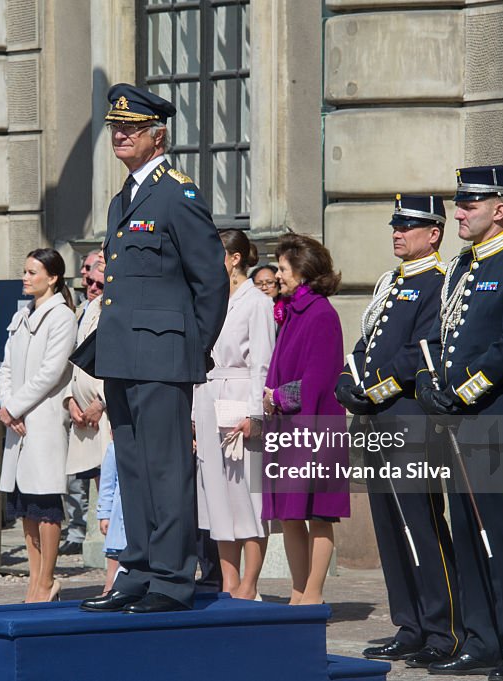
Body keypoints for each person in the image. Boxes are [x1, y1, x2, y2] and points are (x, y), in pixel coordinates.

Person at [77, 84, 228, 615]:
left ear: (157, 136)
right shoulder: (126, 196)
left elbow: (210, 281)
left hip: (164, 356)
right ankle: (137, 570)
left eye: (131, 129)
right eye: (115, 128)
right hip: (123, 354)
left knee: (166, 468)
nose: (120, 135)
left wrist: (194, 348)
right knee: (135, 465)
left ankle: (170, 577)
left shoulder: (176, 193)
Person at [415, 165, 503, 678]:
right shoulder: (457, 267)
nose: (459, 212)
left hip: (492, 419)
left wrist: (462, 393)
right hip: (453, 420)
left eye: (469, 204)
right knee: (468, 531)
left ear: (499, 209)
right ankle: (480, 638)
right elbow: (436, 337)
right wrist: (430, 386)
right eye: (459, 203)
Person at [335, 195, 461, 667]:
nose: (397, 232)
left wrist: (377, 388)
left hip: (407, 417)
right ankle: (409, 624)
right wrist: (348, 380)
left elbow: (422, 349)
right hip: (374, 419)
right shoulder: (390, 282)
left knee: (421, 525)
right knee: (390, 526)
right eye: (395, 225)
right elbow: (369, 340)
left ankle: (443, 628)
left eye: (409, 226)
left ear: (434, 234)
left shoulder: (440, 281)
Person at [261, 233, 349, 606]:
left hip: (315, 429)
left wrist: (278, 396)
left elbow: (317, 379)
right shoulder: (291, 311)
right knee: (290, 515)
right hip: (287, 428)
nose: (277, 275)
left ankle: (312, 593)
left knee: (318, 513)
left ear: (303, 271)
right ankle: (298, 590)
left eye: (282, 268)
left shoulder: (321, 313)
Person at [193, 229, 274, 600]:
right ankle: (228, 582)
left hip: (242, 398)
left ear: (235, 258)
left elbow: (262, 361)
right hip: (211, 396)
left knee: (248, 497)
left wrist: (255, 413)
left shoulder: (256, 302)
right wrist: (195, 414)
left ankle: (249, 583)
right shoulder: (210, 300)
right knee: (217, 499)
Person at [0, 248, 76, 603]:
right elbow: (6, 366)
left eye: (32, 272)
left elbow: (51, 371)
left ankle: (47, 579)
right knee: (25, 503)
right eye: (25, 271)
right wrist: (6, 405)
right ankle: (35, 578)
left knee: (45, 500)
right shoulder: (22, 316)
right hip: (17, 421)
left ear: (53, 277)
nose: (26, 277)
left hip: (41, 419)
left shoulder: (61, 317)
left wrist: (15, 406)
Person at [61, 250, 108, 557]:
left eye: (98, 283)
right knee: (99, 488)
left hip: (106, 412)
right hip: (83, 413)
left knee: (112, 493)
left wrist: (101, 401)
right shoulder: (87, 309)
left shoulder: (116, 307)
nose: (91, 287)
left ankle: (117, 565)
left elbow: (117, 360)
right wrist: (70, 400)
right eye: (88, 280)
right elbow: (75, 359)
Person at [96, 441, 124, 594]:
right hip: (119, 514)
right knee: (115, 550)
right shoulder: (114, 449)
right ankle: (109, 586)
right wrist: (104, 514)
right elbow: (107, 484)